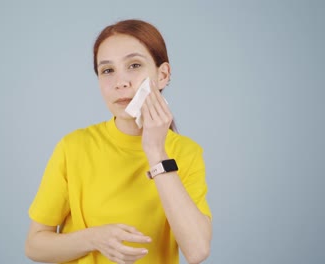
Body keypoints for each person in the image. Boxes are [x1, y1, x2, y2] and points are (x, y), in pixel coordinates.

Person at [25, 19, 212, 264]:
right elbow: (34, 246)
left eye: (134, 65)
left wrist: (155, 150)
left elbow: (197, 251)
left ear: (163, 75)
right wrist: (93, 239)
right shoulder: (74, 148)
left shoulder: (186, 153)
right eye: (107, 70)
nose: (120, 82)